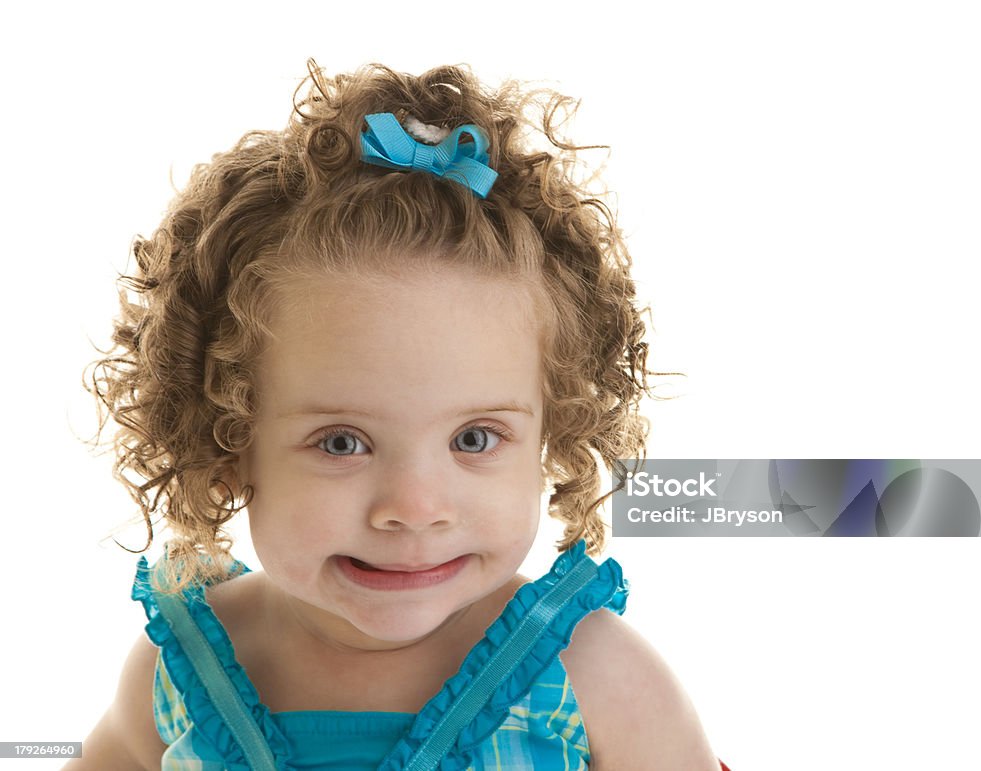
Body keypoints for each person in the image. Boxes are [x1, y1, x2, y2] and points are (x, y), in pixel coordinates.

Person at [69, 59, 726, 770]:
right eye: (342, 442)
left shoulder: (595, 676)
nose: (414, 508)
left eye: (474, 437)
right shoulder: (183, 670)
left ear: (553, 431)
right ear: (227, 441)